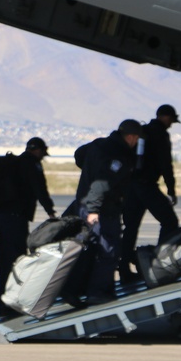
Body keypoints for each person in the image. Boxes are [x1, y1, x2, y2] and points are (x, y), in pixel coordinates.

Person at [71, 120, 141, 303]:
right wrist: (93, 210)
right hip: (101, 209)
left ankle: (87, 290)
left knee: (90, 250)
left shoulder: (100, 144)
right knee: (107, 251)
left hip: (86, 204)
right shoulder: (117, 155)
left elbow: (79, 155)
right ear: (132, 137)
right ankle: (97, 293)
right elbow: (101, 184)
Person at [0, 138, 56, 314]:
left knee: (5, 260)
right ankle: (9, 304)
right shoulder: (31, 165)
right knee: (16, 261)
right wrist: (51, 212)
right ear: (38, 151)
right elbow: (40, 189)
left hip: (0, 218)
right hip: (15, 220)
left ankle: (3, 303)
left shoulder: (12, 165)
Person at [119, 105, 180, 282]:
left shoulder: (142, 132)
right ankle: (159, 262)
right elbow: (165, 163)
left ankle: (124, 270)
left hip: (131, 185)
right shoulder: (160, 134)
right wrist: (171, 189)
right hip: (146, 186)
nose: (170, 125)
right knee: (170, 221)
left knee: (130, 227)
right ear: (167, 118)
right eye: (171, 121)